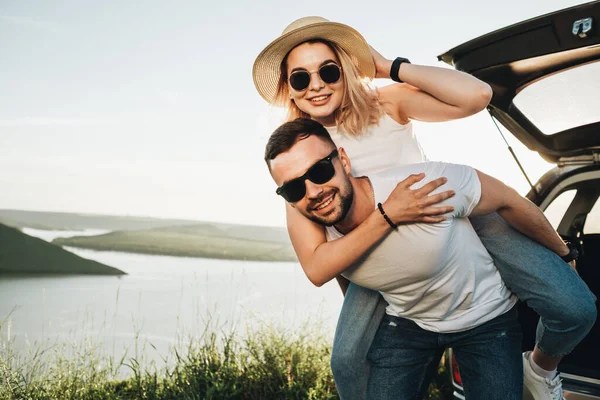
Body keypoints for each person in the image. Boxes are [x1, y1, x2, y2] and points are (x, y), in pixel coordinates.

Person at [253, 16, 596, 399]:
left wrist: (387, 67)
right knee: (347, 358)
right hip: (375, 244)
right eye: (301, 78)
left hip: (446, 216)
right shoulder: (298, 158)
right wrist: (367, 280)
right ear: (290, 89)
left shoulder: (382, 102)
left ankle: (537, 369)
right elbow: (323, 251)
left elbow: (476, 96)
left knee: (572, 304)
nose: (316, 85)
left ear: (346, 71)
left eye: (328, 71)